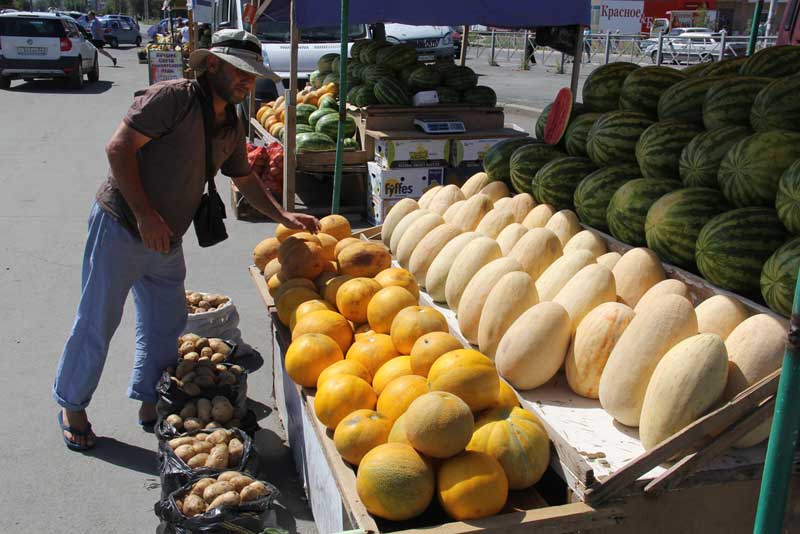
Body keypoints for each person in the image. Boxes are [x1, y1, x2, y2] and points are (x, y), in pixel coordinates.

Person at [53, 29, 319, 451]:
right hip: (122, 224)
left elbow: (243, 178)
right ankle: (73, 407)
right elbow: (118, 149)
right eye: (240, 73)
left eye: (253, 76)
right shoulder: (171, 99)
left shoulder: (230, 120)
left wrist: (282, 214)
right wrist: (145, 216)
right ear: (211, 64)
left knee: (165, 325)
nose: (247, 82)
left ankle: (148, 401)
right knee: (97, 319)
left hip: (167, 237)